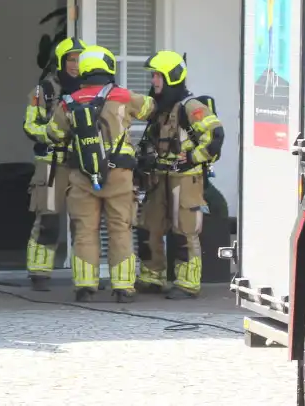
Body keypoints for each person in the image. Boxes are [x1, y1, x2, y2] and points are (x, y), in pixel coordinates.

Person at [46, 45, 154, 303]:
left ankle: (85, 286)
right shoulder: (122, 96)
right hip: (119, 175)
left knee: (84, 231)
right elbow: (149, 108)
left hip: (82, 176)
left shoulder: (69, 101)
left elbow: (53, 133)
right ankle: (123, 287)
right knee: (120, 230)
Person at [137, 50, 224, 300]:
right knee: (148, 226)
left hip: (185, 178)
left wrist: (194, 157)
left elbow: (215, 136)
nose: (153, 81)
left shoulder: (191, 107)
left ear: (172, 77)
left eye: (158, 75)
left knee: (185, 230)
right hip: (159, 177)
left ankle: (187, 284)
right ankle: (152, 277)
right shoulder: (160, 108)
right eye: (153, 75)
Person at [21, 36, 85, 292]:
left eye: (80, 59)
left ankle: (85, 278)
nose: (76, 65)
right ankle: (39, 273)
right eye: (71, 59)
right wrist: (52, 134)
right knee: (47, 221)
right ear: (61, 61)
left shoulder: (89, 89)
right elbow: (29, 125)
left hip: (81, 164)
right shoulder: (43, 90)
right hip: (51, 163)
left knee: (83, 221)